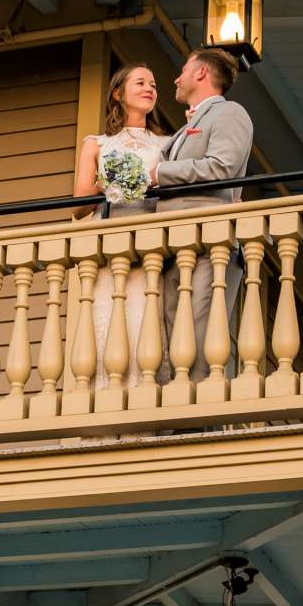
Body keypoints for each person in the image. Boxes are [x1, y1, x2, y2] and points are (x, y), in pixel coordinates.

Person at [148, 46, 253, 379]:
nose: (176, 78)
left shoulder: (229, 113)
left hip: (209, 244)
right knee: (168, 344)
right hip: (171, 246)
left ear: (202, 73)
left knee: (199, 339)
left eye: (182, 70)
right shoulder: (182, 131)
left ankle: (195, 424)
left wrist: (160, 174)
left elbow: (222, 167)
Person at [72, 62, 167, 384]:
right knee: (109, 319)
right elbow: (79, 205)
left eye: (153, 84)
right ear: (118, 93)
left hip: (152, 241)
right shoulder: (96, 144)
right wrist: (109, 182)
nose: (149, 89)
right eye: (140, 82)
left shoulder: (166, 144)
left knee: (147, 319)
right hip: (111, 243)